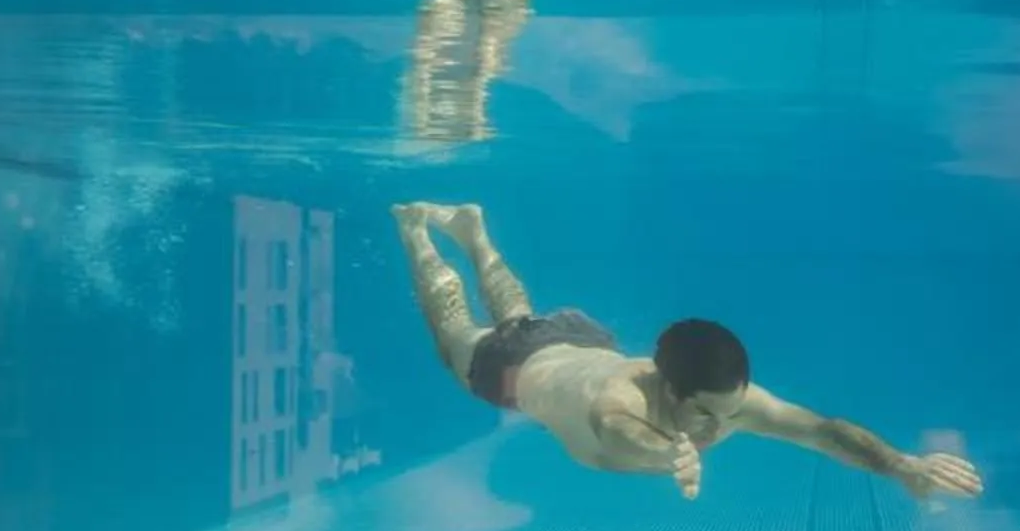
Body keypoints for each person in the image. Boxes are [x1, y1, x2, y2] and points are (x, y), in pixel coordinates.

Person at [394, 202, 984, 504]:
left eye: (730, 411)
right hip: (513, 369)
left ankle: (476, 234)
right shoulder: (620, 401)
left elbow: (823, 431)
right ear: (666, 387)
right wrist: (667, 456)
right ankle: (417, 230)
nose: (718, 427)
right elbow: (617, 429)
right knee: (455, 332)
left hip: (578, 342)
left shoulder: (726, 401)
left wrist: (901, 465)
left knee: (521, 318)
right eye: (704, 414)